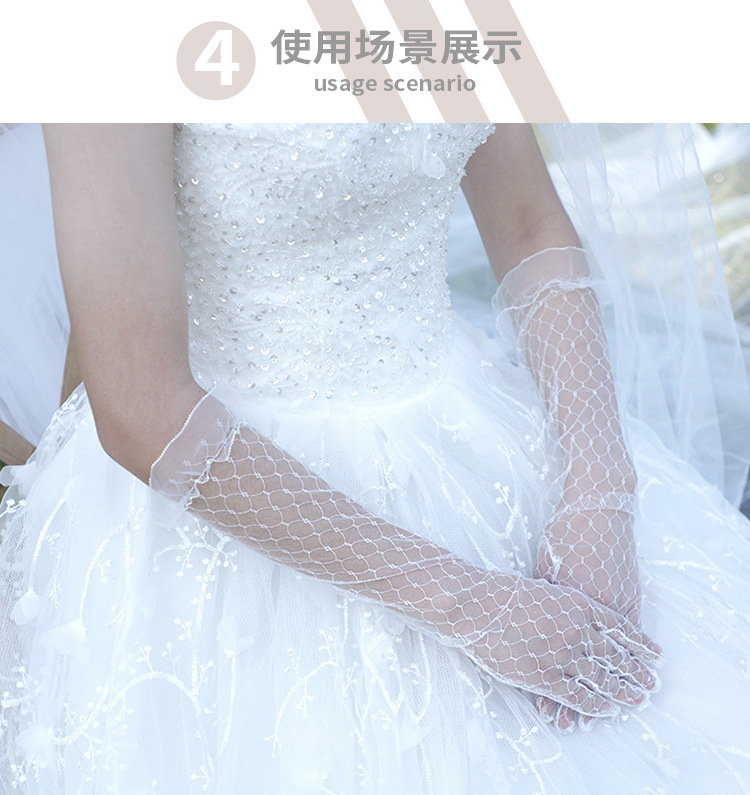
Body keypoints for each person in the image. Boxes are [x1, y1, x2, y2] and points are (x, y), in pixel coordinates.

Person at [0, 123, 748, 793]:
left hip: (469, 428)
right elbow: (140, 407)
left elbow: (529, 221)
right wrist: (472, 606)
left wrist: (598, 488)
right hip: (225, 503)